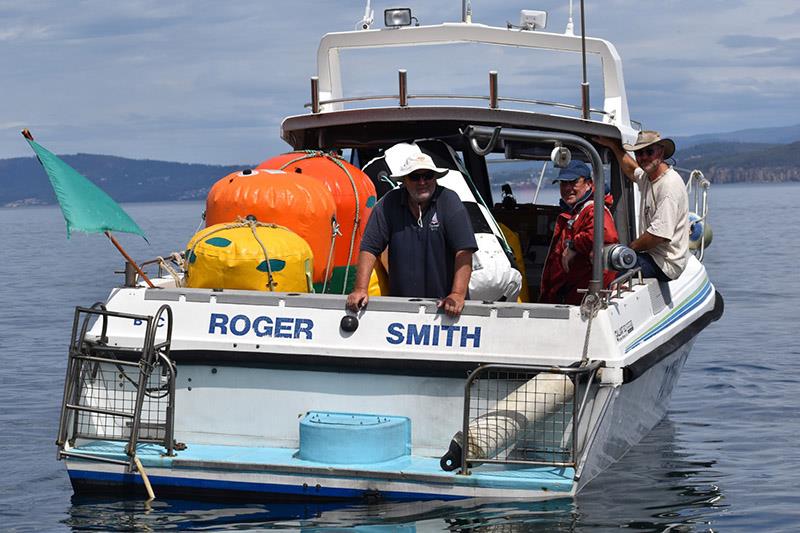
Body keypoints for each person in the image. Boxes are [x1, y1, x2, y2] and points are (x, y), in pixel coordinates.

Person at [346, 149, 478, 317]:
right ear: (404, 180)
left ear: (435, 178)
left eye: (428, 175)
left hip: (447, 310)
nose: (422, 182)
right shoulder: (388, 204)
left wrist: (457, 294)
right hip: (403, 311)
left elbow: (464, 250)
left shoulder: (450, 201)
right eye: (415, 177)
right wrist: (360, 289)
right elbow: (369, 247)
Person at [595, 131, 689, 281]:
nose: (643, 157)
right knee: (609, 261)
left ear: (661, 152)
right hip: (652, 256)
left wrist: (628, 248)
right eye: (639, 153)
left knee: (613, 269)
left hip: (665, 264)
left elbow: (658, 236)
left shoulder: (669, 186)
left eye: (649, 152)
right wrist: (614, 146)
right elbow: (632, 170)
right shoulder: (649, 176)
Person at [539, 160, 619, 305]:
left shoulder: (593, 209)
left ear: (588, 184)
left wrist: (573, 246)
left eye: (574, 182)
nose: (568, 188)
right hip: (567, 292)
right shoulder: (576, 211)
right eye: (563, 183)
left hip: (581, 295)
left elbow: (603, 235)